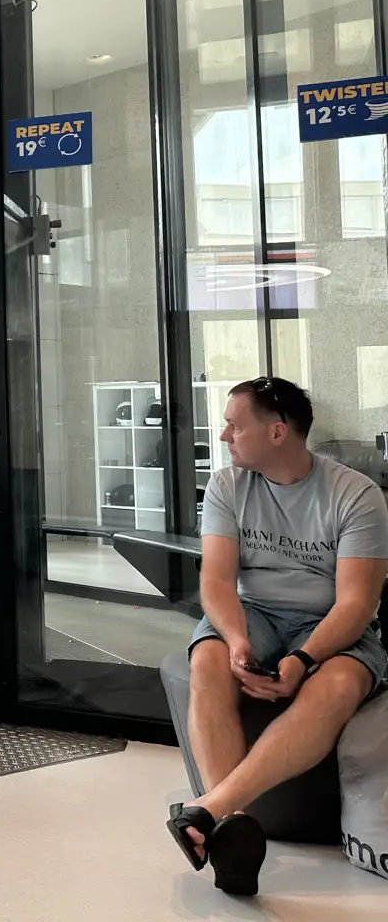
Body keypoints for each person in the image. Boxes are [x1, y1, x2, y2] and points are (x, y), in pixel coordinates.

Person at [167, 377, 388, 896]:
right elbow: (216, 582)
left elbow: (356, 604)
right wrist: (236, 640)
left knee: (337, 686)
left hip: (329, 623)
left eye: (235, 426)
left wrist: (304, 659)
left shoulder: (356, 495)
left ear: (277, 432)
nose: (224, 436)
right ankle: (233, 827)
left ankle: (211, 811)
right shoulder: (227, 486)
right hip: (255, 614)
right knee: (208, 662)